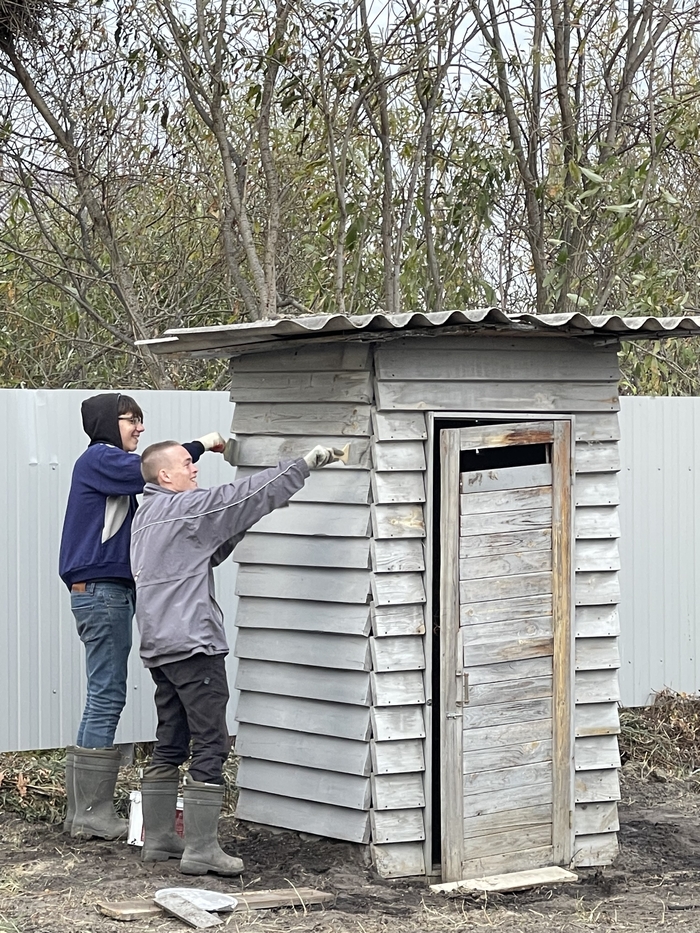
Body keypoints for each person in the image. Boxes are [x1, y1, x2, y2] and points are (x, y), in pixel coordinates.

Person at [130, 441, 342, 876]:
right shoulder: (187, 509)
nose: (194, 469)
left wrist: (247, 518)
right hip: (193, 645)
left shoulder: (148, 516)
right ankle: (202, 850)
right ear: (164, 476)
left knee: (171, 738)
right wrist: (302, 465)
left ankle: (160, 840)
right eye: (187, 463)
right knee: (210, 741)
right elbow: (241, 497)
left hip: (160, 647)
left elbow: (210, 547)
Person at [59, 392, 225, 840]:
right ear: (109, 424)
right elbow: (147, 471)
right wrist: (202, 444)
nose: (140, 428)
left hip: (103, 591)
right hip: (103, 589)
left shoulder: (104, 468)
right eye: (133, 420)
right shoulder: (100, 459)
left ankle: (83, 814)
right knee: (107, 694)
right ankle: (92, 813)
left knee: (102, 692)